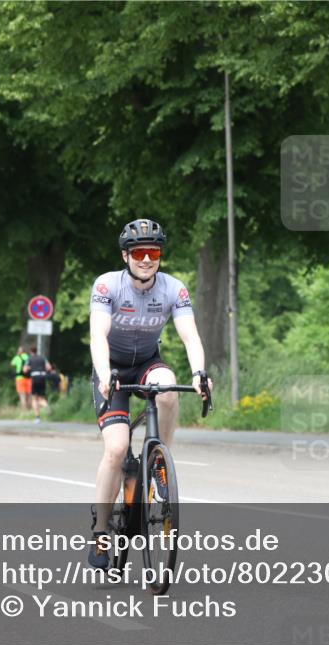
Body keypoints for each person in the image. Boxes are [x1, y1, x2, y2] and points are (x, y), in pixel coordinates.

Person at [87, 218, 211, 568]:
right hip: (110, 367)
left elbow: (190, 336)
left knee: (169, 388)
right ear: (126, 256)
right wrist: (102, 374)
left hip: (147, 362)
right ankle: (99, 533)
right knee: (116, 449)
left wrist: (200, 374)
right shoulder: (107, 285)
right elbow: (98, 335)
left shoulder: (173, 289)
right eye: (139, 252)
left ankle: (159, 461)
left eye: (153, 252)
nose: (146, 259)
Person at [23, 346, 52, 423]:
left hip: (35, 377)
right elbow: (49, 367)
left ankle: (37, 418)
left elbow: (25, 370)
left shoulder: (29, 359)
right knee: (41, 397)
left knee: (34, 398)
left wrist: (29, 368)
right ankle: (46, 406)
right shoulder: (42, 358)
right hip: (42, 377)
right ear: (36, 351)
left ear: (30, 351)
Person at [10, 346, 30, 410]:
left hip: (19, 378)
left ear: (19, 351)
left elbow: (11, 364)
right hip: (28, 378)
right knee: (28, 394)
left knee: (22, 395)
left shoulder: (17, 357)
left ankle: (24, 409)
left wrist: (17, 355)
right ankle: (29, 408)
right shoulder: (27, 356)